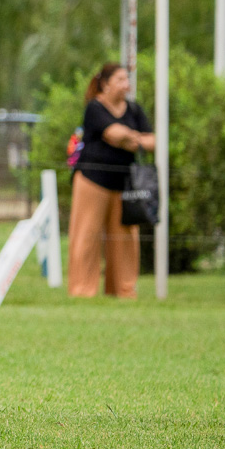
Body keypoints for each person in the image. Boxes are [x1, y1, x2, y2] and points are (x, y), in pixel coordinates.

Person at [68, 62, 153, 299]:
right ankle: (82, 290)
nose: (126, 84)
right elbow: (112, 134)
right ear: (105, 84)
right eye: (120, 80)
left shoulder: (134, 110)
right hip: (93, 180)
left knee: (125, 239)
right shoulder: (95, 108)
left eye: (127, 79)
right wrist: (136, 139)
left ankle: (124, 290)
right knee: (87, 237)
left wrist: (128, 138)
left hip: (124, 183)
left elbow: (153, 141)